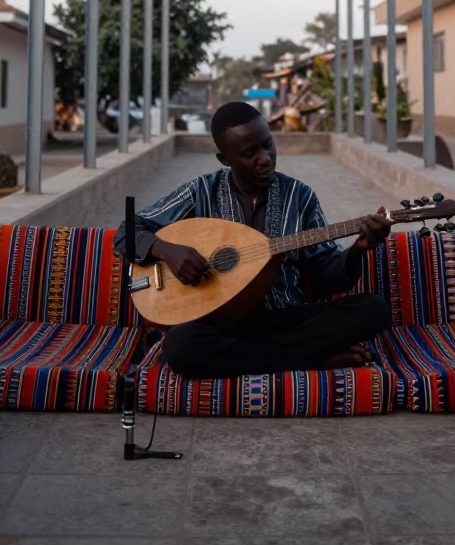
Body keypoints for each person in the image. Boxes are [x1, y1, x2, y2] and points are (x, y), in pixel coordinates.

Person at [114, 101, 391, 378]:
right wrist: (167, 250)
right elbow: (127, 232)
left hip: (284, 318)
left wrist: (357, 250)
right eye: (249, 153)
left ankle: (258, 357)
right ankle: (309, 360)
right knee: (180, 346)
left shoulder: (299, 196)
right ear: (225, 159)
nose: (265, 158)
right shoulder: (200, 192)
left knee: (373, 310)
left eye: (268, 145)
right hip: (219, 322)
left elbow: (324, 275)